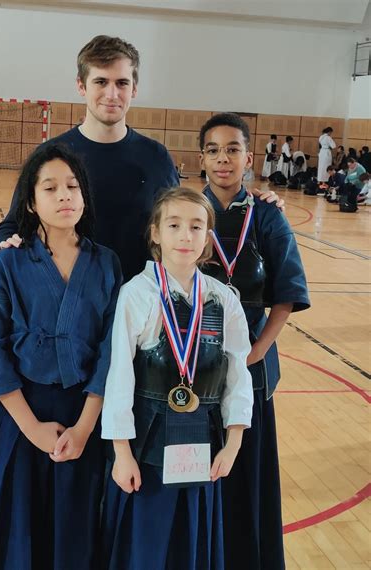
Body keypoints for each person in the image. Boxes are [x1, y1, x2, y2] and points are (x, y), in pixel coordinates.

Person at [0, 35, 283, 280]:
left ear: (134, 88)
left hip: (142, 305)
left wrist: (257, 204)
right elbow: (12, 225)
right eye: (100, 82)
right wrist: (7, 244)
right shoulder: (51, 156)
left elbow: (182, 218)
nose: (111, 93)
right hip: (74, 303)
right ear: (81, 86)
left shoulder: (155, 156)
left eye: (121, 83)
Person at [0, 142, 122, 570]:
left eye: (72, 186)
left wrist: (85, 428)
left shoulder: (106, 263)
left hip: (82, 414)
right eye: (50, 188)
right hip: (20, 415)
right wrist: (31, 428)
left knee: (75, 528)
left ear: (85, 196)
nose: (64, 195)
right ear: (31, 202)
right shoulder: (10, 262)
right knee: (15, 526)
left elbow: (111, 352)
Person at [101, 187, 254, 569]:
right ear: (155, 233)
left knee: (193, 542)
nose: (186, 235)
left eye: (196, 226)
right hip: (148, 447)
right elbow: (118, 377)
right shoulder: (136, 295)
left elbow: (238, 373)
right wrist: (121, 454)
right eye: (174, 225)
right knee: (147, 545)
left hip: (203, 443)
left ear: (207, 237)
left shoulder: (223, 299)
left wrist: (233, 443)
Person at [197, 112, 310, 570]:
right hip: (194, 367)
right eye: (213, 150)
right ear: (200, 158)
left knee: (246, 472)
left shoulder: (267, 217)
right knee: (198, 469)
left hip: (252, 368)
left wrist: (253, 354)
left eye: (232, 150)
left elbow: (286, 295)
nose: (223, 159)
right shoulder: (186, 210)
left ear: (249, 157)